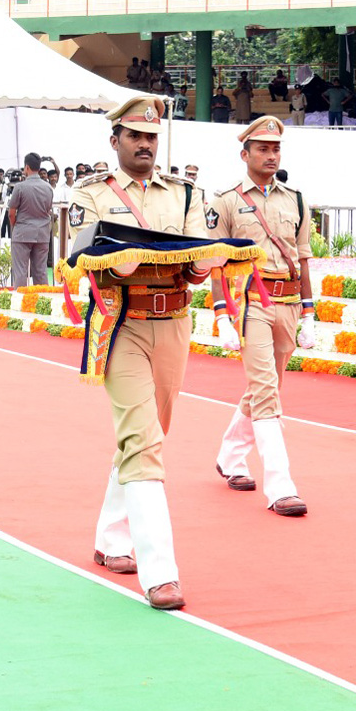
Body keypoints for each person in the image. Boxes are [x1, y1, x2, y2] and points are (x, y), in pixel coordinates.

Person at [67, 95, 211, 611]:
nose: (146, 144)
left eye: (152, 137)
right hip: (121, 322)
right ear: (116, 141)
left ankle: (110, 536)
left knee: (149, 435)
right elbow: (76, 257)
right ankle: (160, 572)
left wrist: (204, 266)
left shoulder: (185, 194)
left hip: (174, 320)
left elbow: (199, 253)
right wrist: (112, 265)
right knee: (144, 442)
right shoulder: (91, 195)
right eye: (135, 136)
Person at [206, 115, 314, 516]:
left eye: (276, 149)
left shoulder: (296, 200)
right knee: (266, 388)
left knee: (267, 387)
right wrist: (220, 313)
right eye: (263, 149)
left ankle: (230, 456)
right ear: (245, 154)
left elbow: (303, 258)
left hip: (287, 303)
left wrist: (309, 311)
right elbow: (216, 260)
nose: (271, 155)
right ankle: (280, 485)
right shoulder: (227, 201)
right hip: (250, 303)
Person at [6, 152, 53, 287]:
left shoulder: (20, 187)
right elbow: (48, 209)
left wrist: (16, 226)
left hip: (22, 232)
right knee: (41, 271)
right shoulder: (48, 187)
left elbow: (11, 213)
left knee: (20, 272)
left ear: (26, 167)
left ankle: (20, 303)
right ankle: (43, 302)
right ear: (39, 167)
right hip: (42, 233)